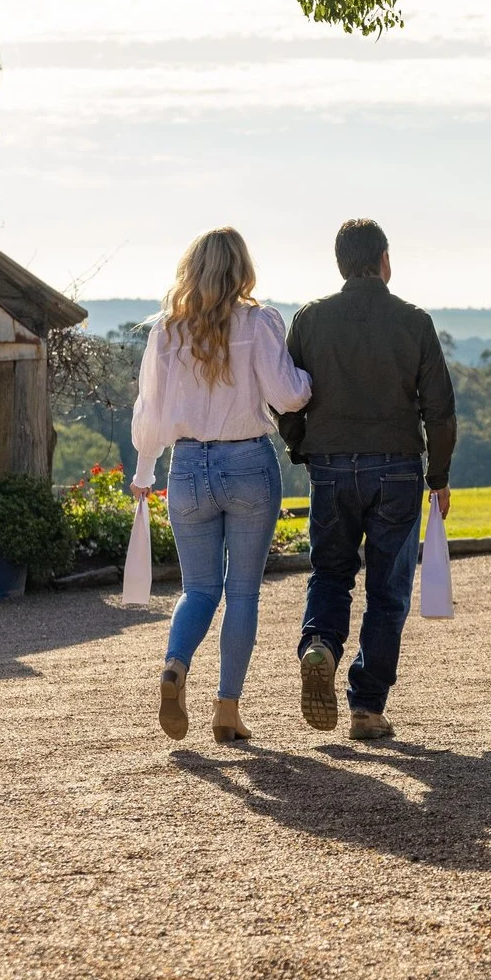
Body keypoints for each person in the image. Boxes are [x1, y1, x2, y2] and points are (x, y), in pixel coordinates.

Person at [278, 219, 455, 740]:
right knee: (388, 591)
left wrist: (300, 443)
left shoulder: (310, 320)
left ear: (339, 263)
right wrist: (438, 475)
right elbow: (440, 411)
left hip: (330, 465)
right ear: (384, 260)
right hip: (397, 467)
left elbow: (285, 393)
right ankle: (366, 707)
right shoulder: (414, 321)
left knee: (330, 573)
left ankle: (320, 646)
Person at [132, 227, 310, 744]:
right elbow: (288, 395)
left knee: (199, 589)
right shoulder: (259, 322)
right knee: (243, 592)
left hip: (186, 467)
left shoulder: (166, 332)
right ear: (242, 268)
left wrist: (145, 474)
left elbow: (151, 414)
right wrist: (311, 381)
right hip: (248, 462)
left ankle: (175, 664)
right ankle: (226, 710)